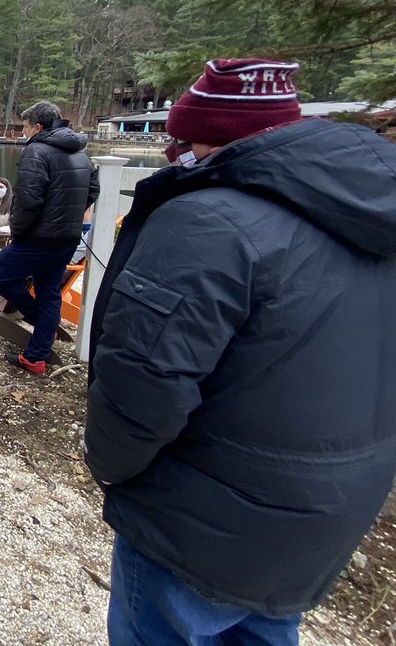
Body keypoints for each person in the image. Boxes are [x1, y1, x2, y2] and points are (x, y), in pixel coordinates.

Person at [85, 58, 396, 646]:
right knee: (266, 627)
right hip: (331, 506)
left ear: (211, 138)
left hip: (202, 515)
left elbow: (144, 381)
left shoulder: (207, 222)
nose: (175, 150)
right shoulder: (371, 212)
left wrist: (109, 465)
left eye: (183, 138)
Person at [0, 101, 97, 374]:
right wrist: (68, 215)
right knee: (49, 294)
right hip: (66, 238)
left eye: (25, 126)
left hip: (37, 238)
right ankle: (36, 356)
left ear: (37, 127)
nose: (22, 131)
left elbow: (28, 200)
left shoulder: (37, 150)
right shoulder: (82, 154)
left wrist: (20, 232)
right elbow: (93, 189)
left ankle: (45, 332)